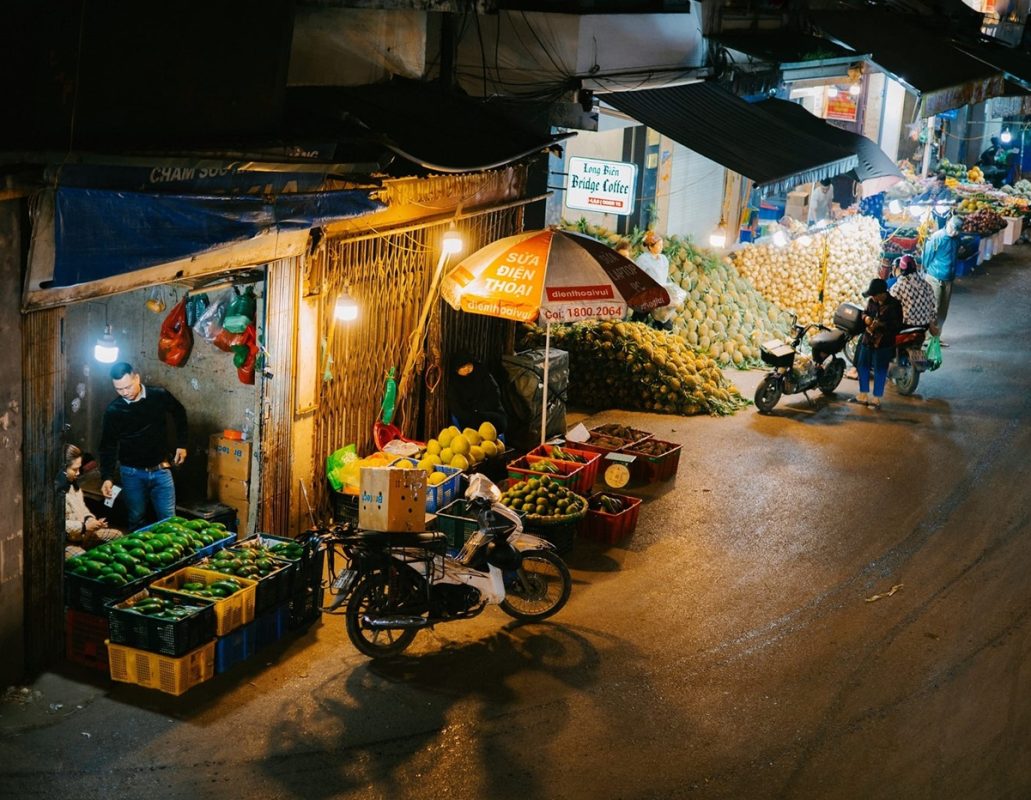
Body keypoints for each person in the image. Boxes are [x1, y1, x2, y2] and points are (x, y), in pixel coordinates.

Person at [99, 362, 188, 531]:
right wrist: (107, 477)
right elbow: (107, 446)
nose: (125, 393)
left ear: (137, 378)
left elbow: (179, 412)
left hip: (161, 469)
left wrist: (182, 444)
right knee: (136, 518)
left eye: (127, 387)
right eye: (119, 389)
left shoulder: (158, 395)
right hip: (131, 473)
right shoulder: (113, 410)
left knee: (169, 519)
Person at [60, 444, 122, 559]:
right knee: (83, 560)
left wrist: (91, 520)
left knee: (118, 536)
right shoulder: (52, 492)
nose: (78, 473)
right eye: (74, 469)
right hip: (66, 543)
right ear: (62, 468)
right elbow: (57, 525)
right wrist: (83, 527)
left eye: (79, 468)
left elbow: (82, 508)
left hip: (83, 535)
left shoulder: (73, 485)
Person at [851, 278, 903, 409]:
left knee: (880, 369)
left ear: (882, 293)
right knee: (863, 366)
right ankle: (863, 395)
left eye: (874, 295)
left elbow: (897, 326)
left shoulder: (895, 305)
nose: (872, 297)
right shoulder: (871, 302)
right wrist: (866, 318)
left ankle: (876, 398)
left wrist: (881, 324)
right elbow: (864, 313)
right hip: (868, 339)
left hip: (883, 343)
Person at [446, 350, 507, 436]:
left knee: (497, 422)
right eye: (462, 367)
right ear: (456, 370)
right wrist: (471, 414)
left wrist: (479, 410)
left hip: (490, 412)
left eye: (469, 366)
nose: (466, 369)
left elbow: (494, 395)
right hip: (469, 418)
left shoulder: (482, 374)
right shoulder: (455, 384)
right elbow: (456, 407)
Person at [922, 215, 962, 341]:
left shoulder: (957, 239)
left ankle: (936, 337)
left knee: (943, 310)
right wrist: (928, 271)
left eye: (957, 230)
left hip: (949, 279)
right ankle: (927, 337)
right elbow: (926, 257)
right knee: (934, 308)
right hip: (934, 277)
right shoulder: (937, 237)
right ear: (948, 223)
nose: (954, 232)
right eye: (952, 228)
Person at [632, 231, 673, 331]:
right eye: (659, 245)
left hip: (659, 294)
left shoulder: (664, 259)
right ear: (650, 247)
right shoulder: (643, 259)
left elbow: (664, 276)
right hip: (645, 295)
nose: (661, 247)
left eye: (662, 245)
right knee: (639, 319)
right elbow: (637, 276)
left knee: (664, 321)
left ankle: (664, 335)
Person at [889, 255, 937, 329]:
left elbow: (890, 306)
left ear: (901, 269)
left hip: (907, 325)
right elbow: (933, 305)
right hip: (925, 325)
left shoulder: (897, 287)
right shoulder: (927, 285)